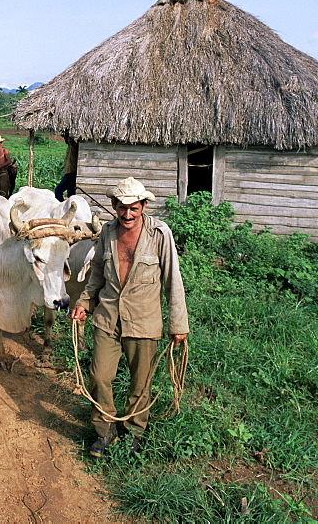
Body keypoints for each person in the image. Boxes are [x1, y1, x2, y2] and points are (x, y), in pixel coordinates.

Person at [70, 176, 188, 457]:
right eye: (122, 208)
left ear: (144, 205)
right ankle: (105, 431)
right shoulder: (108, 232)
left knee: (140, 383)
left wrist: (178, 323)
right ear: (113, 206)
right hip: (108, 317)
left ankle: (134, 431)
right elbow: (97, 271)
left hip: (144, 320)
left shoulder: (160, 234)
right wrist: (85, 302)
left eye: (134, 208)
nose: (128, 214)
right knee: (99, 376)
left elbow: (173, 279)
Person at [54, 133, 78, 201]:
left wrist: (68, 134)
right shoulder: (70, 147)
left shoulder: (73, 146)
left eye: (65, 137)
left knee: (58, 191)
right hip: (70, 174)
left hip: (71, 174)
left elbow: (71, 140)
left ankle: (61, 205)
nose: (64, 139)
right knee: (71, 194)